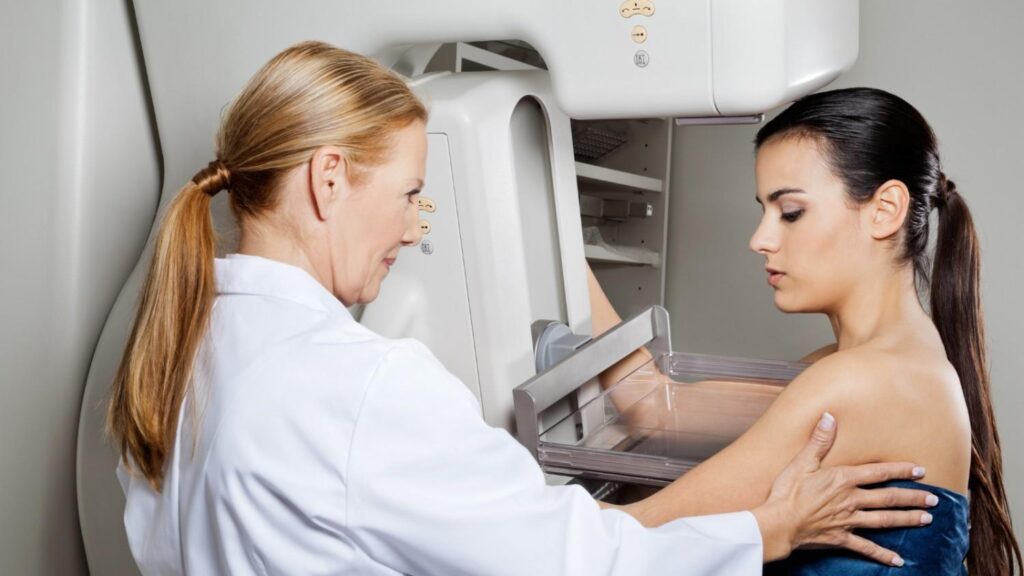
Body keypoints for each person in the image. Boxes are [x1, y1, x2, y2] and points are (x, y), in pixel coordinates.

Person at [108, 42, 936, 575]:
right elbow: (573, 562)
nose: (409, 227)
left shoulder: (176, 349)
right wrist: (767, 530)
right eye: (408, 196)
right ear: (328, 180)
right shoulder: (362, 386)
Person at [589, 87, 1022, 575]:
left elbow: (633, 534)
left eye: (790, 212)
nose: (760, 239)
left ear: (885, 210)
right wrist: (561, 241)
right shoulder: (872, 364)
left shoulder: (863, 382)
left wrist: (495, 497)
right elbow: (656, 406)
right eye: (764, 211)